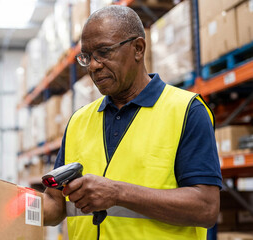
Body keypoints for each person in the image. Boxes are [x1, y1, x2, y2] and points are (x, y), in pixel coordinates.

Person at [43, 5, 222, 240]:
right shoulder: (78, 121)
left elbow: (206, 208)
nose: (94, 66)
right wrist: (8, 204)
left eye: (104, 52)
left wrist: (118, 193)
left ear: (138, 49)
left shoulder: (186, 110)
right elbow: (55, 205)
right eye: (87, 57)